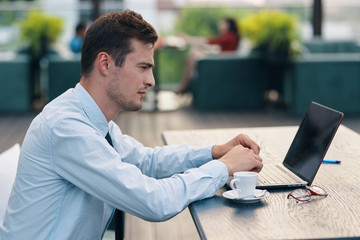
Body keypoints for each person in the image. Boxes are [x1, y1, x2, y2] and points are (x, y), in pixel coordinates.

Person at [0, 10, 262, 239]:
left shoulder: (94, 121)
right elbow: (153, 201)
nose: (151, 81)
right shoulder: (66, 128)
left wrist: (215, 151)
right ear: (105, 63)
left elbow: (147, 162)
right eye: (143, 67)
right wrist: (223, 167)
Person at [177, 17, 241, 94]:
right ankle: (185, 84)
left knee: (193, 54)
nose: (219, 25)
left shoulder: (230, 36)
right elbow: (213, 44)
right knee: (194, 53)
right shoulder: (229, 36)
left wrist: (189, 39)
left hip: (224, 62)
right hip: (223, 60)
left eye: (222, 23)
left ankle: (185, 85)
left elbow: (210, 41)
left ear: (228, 25)